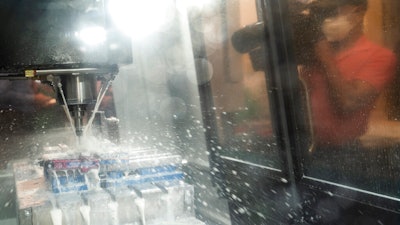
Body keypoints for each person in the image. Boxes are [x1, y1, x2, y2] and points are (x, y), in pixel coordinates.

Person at [299, 0, 397, 147]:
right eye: (322, 15)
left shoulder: (379, 56)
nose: (325, 20)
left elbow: (348, 102)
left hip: (342, 154)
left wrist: (323, 52)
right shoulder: (315, 54)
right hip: (305, 145)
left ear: (357, 13)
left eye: (333, 12)